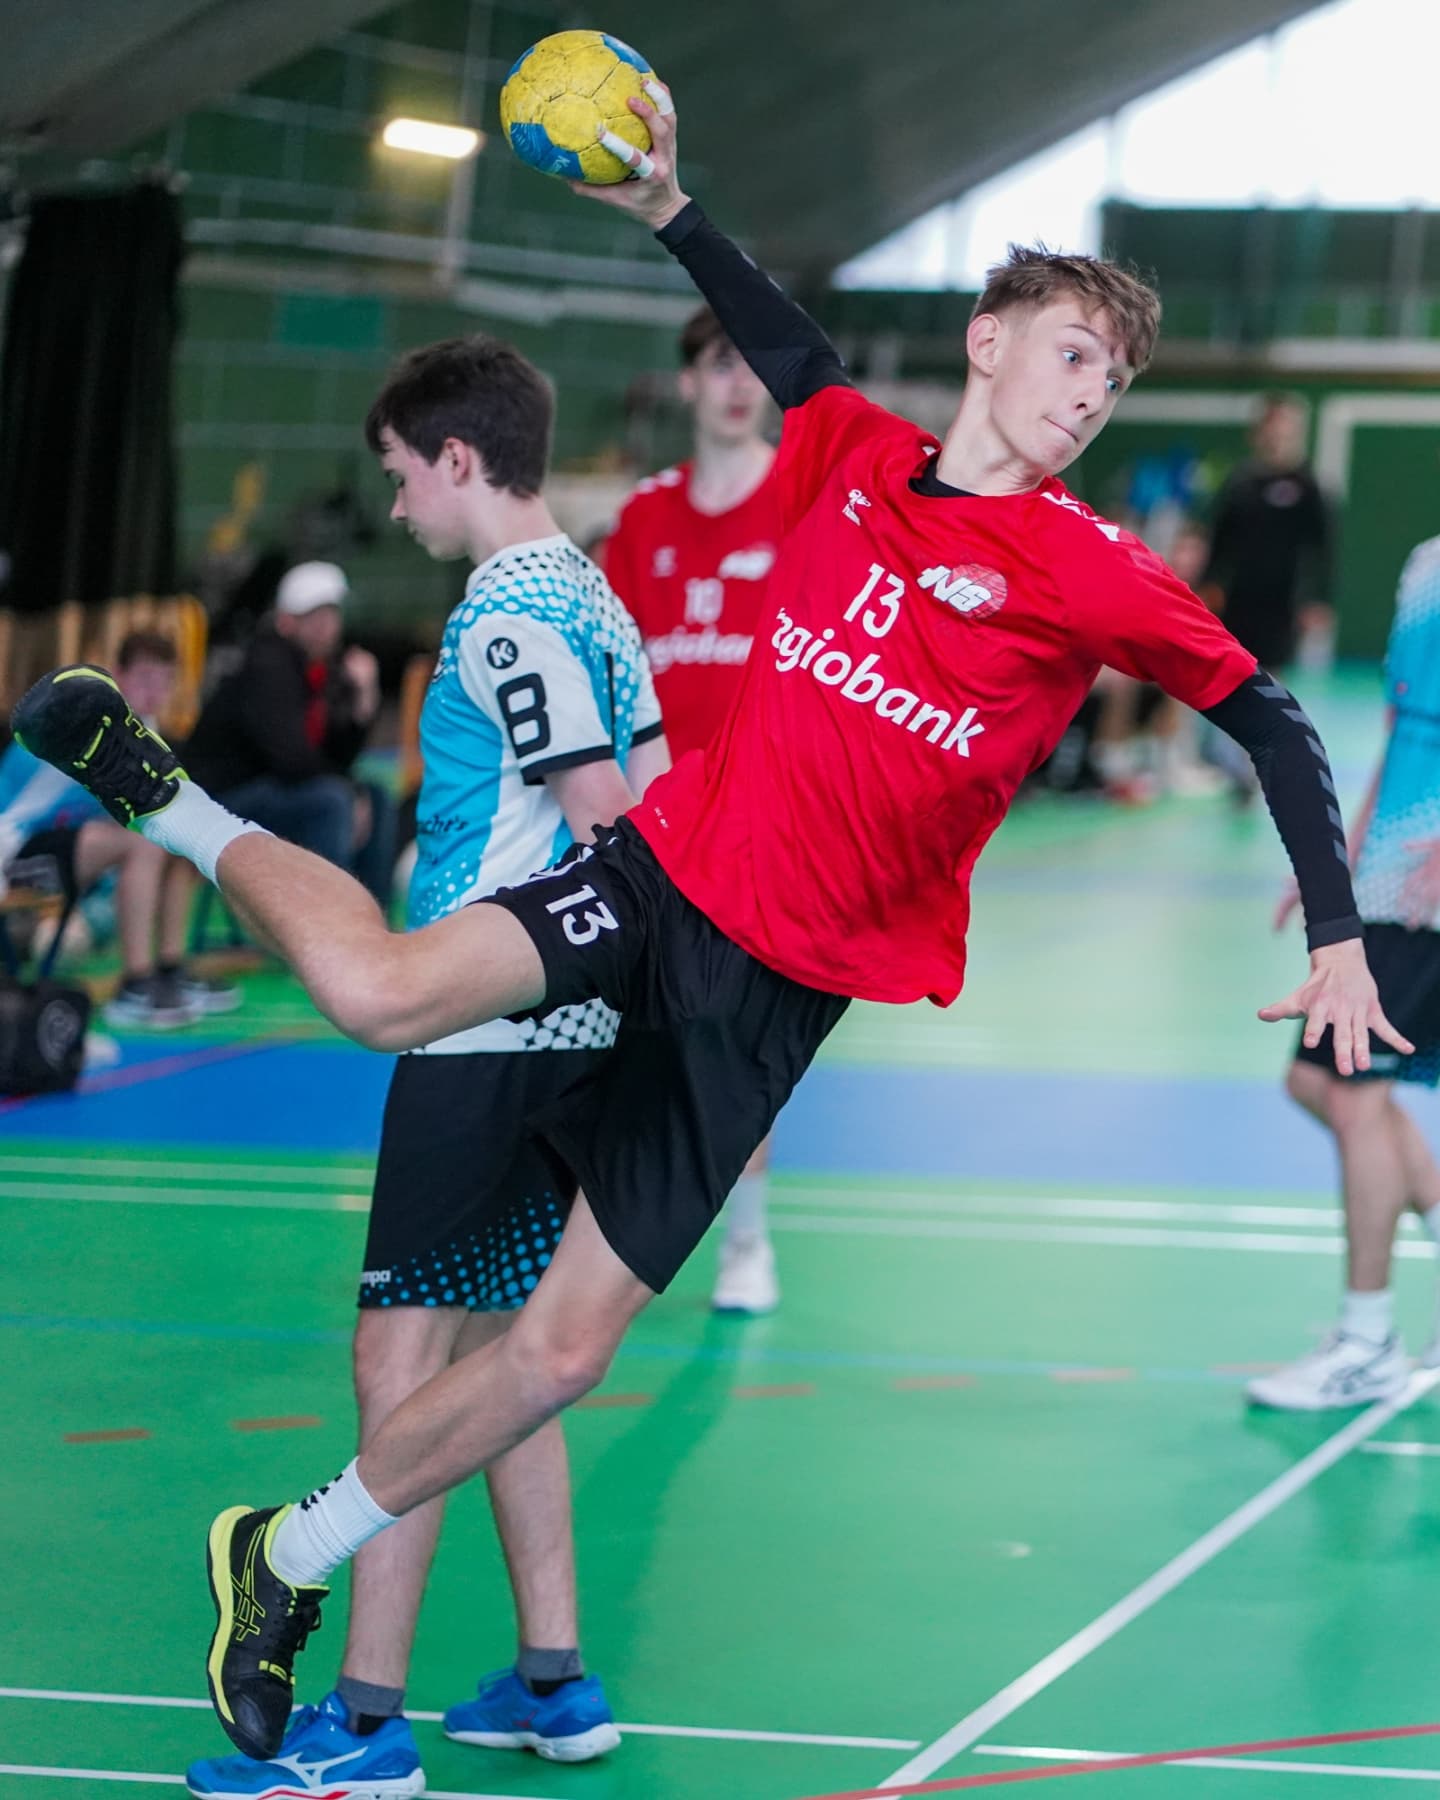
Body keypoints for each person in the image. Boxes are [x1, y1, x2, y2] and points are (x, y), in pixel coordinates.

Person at [14, 82, 1409, 1765]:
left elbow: (1269, 715)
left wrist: (1336, 929)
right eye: (1067, 355)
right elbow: (786, 334)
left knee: (557, 1354)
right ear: (986, 343)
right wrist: (667, 200)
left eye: (1111, 380)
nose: (1088, 396)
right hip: (657, 876)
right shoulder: (851, 450)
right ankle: (180, 804)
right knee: (382, 994)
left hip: (778, 997)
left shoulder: (1086, 568)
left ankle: (282, 1554)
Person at [182, 336, 666, 1796]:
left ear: (459, 461)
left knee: (398, 1363)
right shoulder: (597, 593)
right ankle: (554, 1681)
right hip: (580, 1033)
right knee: (505, 1365)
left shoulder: (509, 613)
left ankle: (362, 1725)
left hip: (490, 1026)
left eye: (401, 477)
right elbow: (645, 792)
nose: (396, 510)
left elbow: (605, 816)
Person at [604, 302, 782, 1312]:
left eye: (748, 363)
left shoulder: (799, 504)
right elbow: (614, 663)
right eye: (717, 364)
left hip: (762, 818)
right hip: (655, 817)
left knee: (733, 1038)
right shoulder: (645, 516)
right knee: (640, 1032)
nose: (734, 381)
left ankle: (747, 1238)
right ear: (686, 384)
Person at [1250, 532, 1440, 1409]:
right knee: (1313, 1081)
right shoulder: (1424, 567)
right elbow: (1406, 727)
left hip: (1426, 887)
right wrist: (1341, 857)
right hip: (1385, 871)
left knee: (1354, 1087)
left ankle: (1366, 1340)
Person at [0, 631, 236, 1025]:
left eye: (164, 681)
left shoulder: (144, 728)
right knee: (142, 845)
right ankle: (135, 983)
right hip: (12, 849)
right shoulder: (84, 719)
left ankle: (169, 966)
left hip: (62, 843)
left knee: (180, 841)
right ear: (119, 675)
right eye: (144, 678)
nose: (154, 690)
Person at [184, 561, 395, 908]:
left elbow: (337, 757)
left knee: (377, 796)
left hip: (275, 784)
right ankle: (331, 920)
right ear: (287, 621)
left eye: (332, 614)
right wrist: (349, 791)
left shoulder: (326, 667)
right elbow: (289, 758)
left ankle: (374, 918)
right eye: (315, 616)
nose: (327, 626)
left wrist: (363, 704)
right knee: (331, 800)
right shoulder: (269, 663)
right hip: (222, 795)